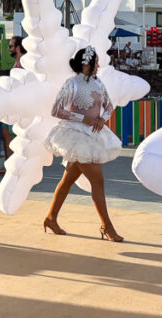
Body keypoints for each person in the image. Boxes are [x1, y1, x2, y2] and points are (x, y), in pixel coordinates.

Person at [41, 46, 124, 241]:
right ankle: (107, 226)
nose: (98, 66)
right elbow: (56, 110)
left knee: (68, 180)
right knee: (98, 180)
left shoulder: (98, 83)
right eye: (95, 63)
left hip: (92, 136)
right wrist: (82, 118)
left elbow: (109, 106)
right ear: (86, 63)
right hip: (75, 136)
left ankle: (51, 218)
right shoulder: (71, 84)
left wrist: (103, 118)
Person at [0, 36, 29, 176]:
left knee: (7, 135)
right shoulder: (21, 63)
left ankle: (10, 167)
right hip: (18, 105)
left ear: (18, 48)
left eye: (11, 46)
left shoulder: (21, 64)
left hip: (17, 106)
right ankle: (13, 165)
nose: (9, 49)